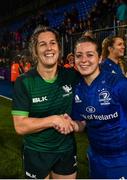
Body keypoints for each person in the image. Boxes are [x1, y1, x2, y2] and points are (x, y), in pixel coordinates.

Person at [69, 36, 127, 179]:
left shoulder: (120, 84)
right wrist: (70, 124)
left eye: (90, 55)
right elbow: (82, 123)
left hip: (124, 159)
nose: (84, 60)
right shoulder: (77, 88)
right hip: (96, 157)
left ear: (99, 57)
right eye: (79, 55)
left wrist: (124, 141)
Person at [11, 25, 79, 179]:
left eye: (53, 43)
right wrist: (53, 120)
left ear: (59, 48)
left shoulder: (71, 76)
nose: (49, 48)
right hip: (36, 152)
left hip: (66, 149)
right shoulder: (24, 82)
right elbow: (20, 126)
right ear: (35, 51)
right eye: (42, 44)